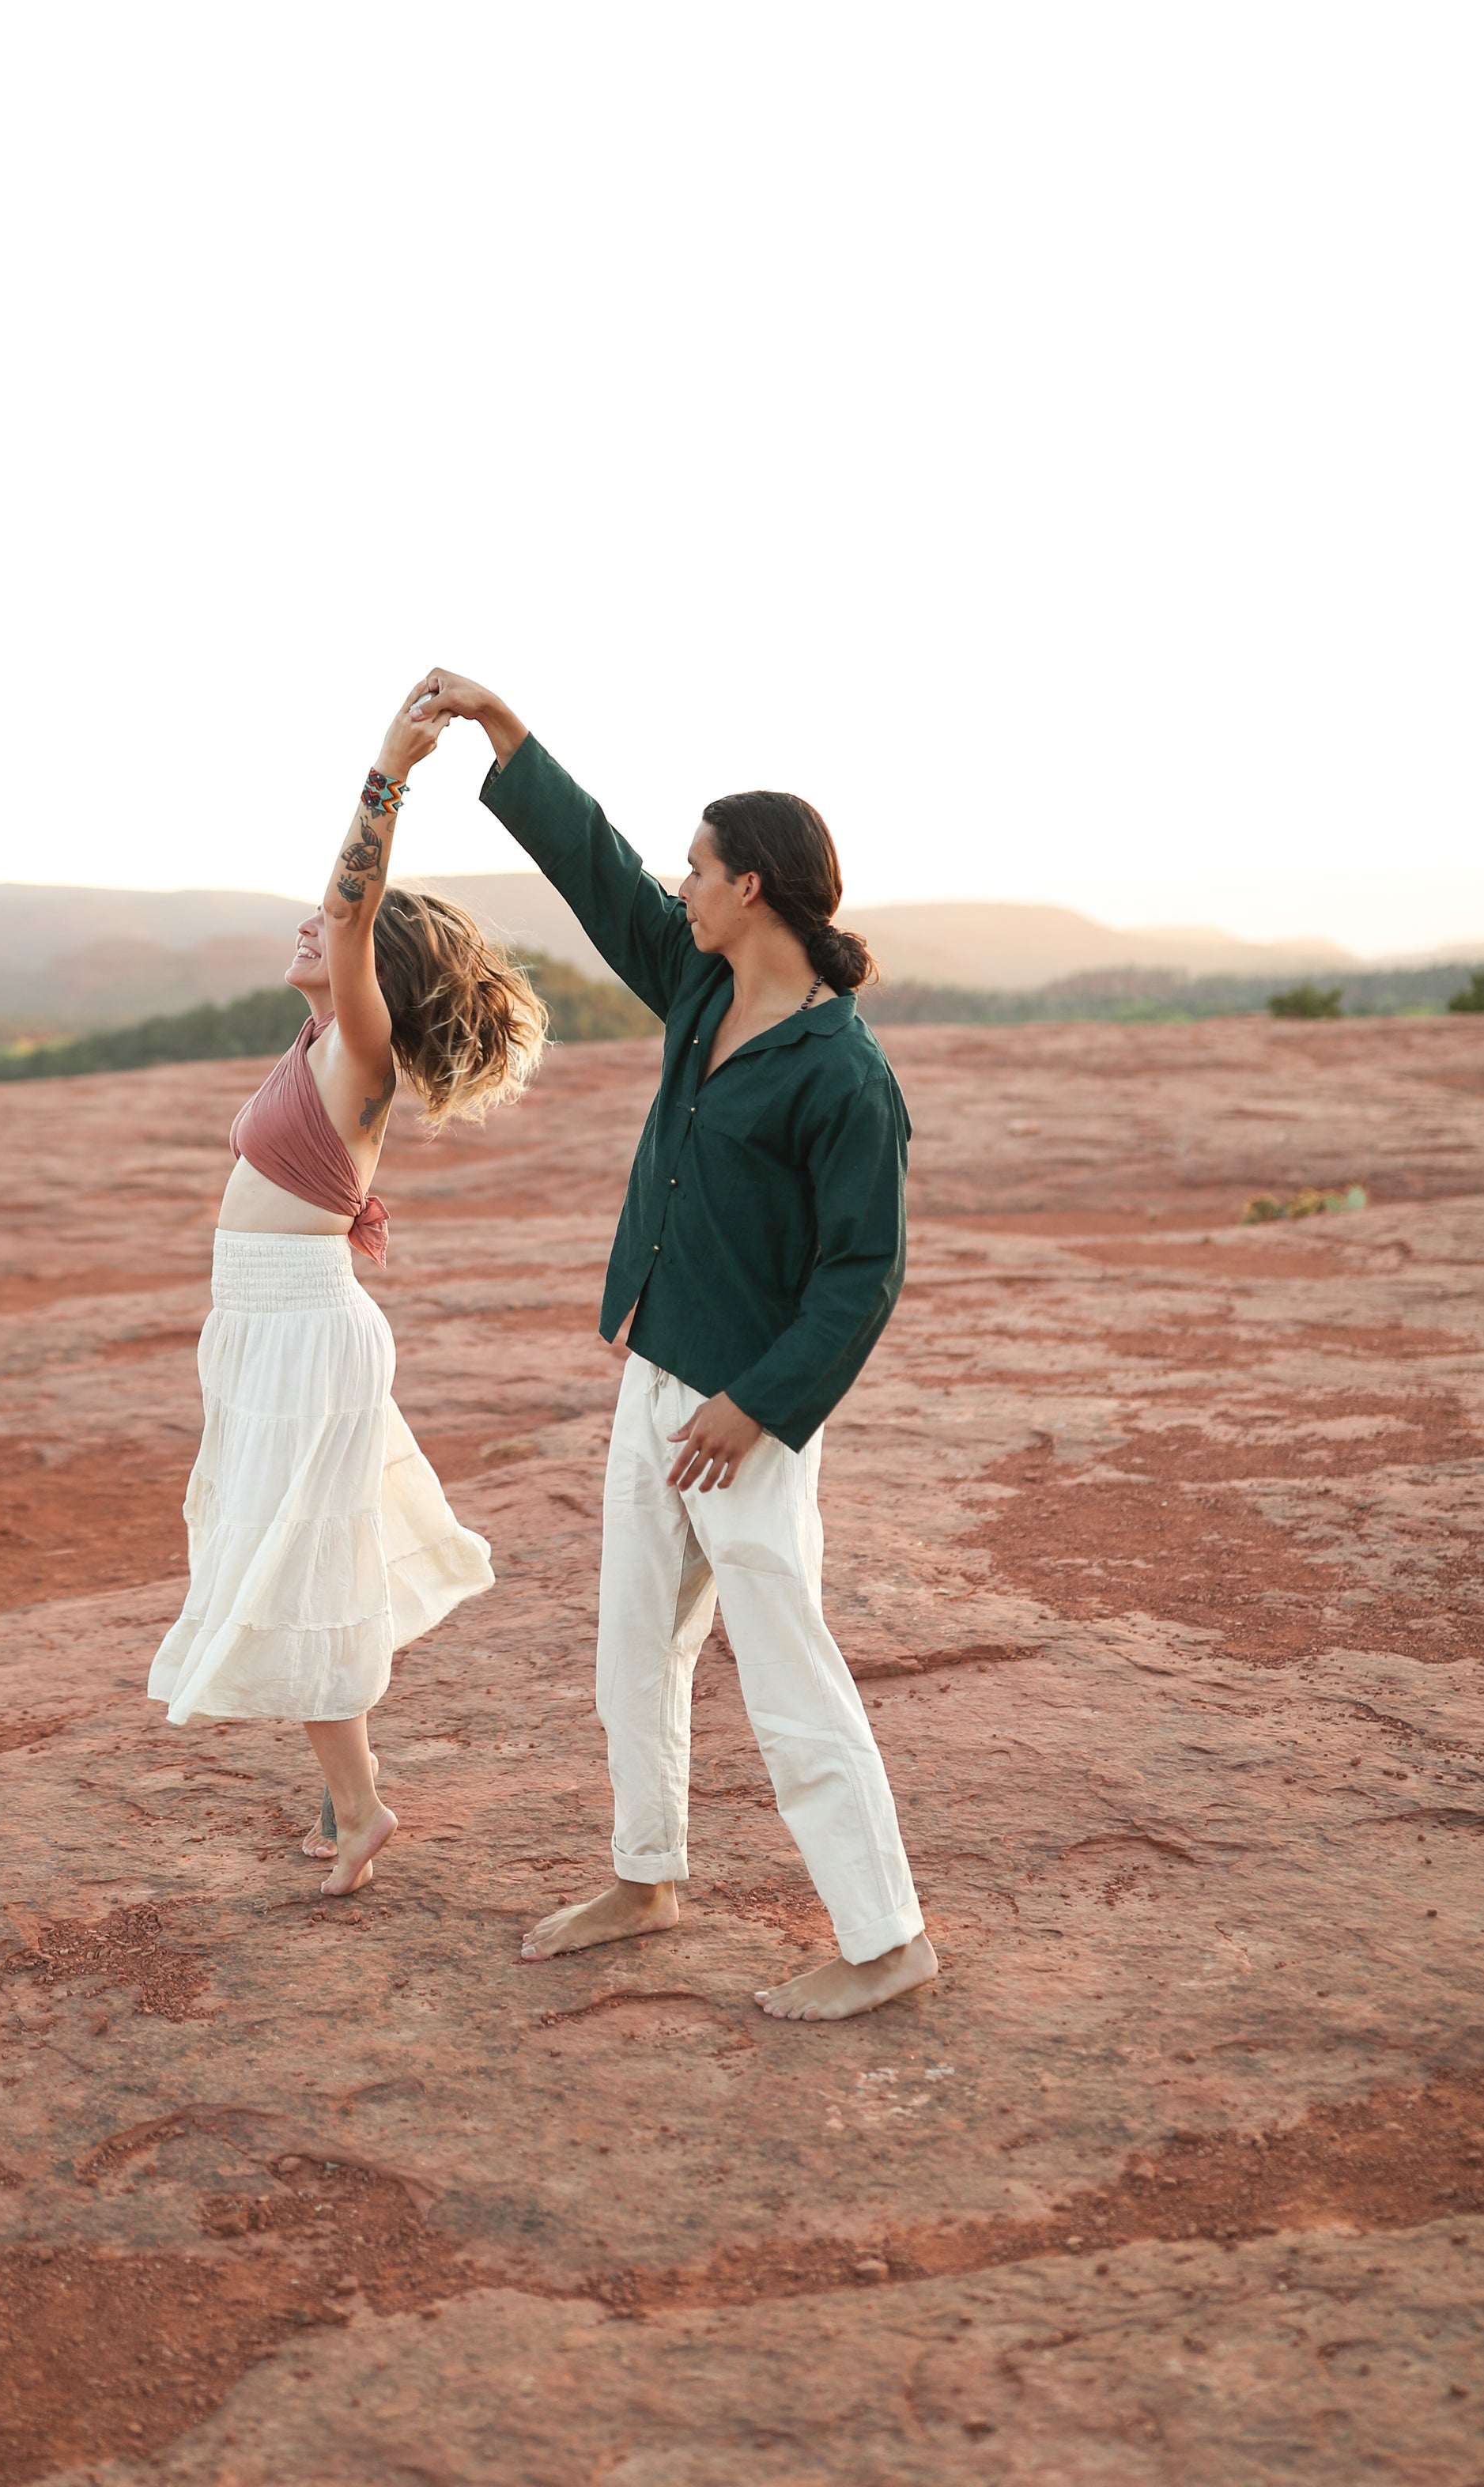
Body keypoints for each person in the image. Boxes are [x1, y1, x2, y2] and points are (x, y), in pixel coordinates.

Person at [408, 670, 935, 2020]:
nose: (681, 884)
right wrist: (504, 733)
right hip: (654, 1378)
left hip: (742, 1422)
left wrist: (755, 1408)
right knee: (633, 1652)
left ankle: (885, 1940)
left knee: (786, 1667)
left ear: (752, 886)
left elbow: (863, 1276)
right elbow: (601, 876)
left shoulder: (844, 1074)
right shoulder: (702, 996)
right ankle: (648, 1878)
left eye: (699, 866)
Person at [146, 682, 547, 1897]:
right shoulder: (316, 1047)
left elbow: (349, 900)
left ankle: (362, 1808)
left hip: (303, 1330)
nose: (314, 929)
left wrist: (390, 765)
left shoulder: (359, 1050)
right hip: (266, 1329)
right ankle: (341, 1799)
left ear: (379, 967)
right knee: (279, 1550)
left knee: (296, 1564)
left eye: (341, 933)